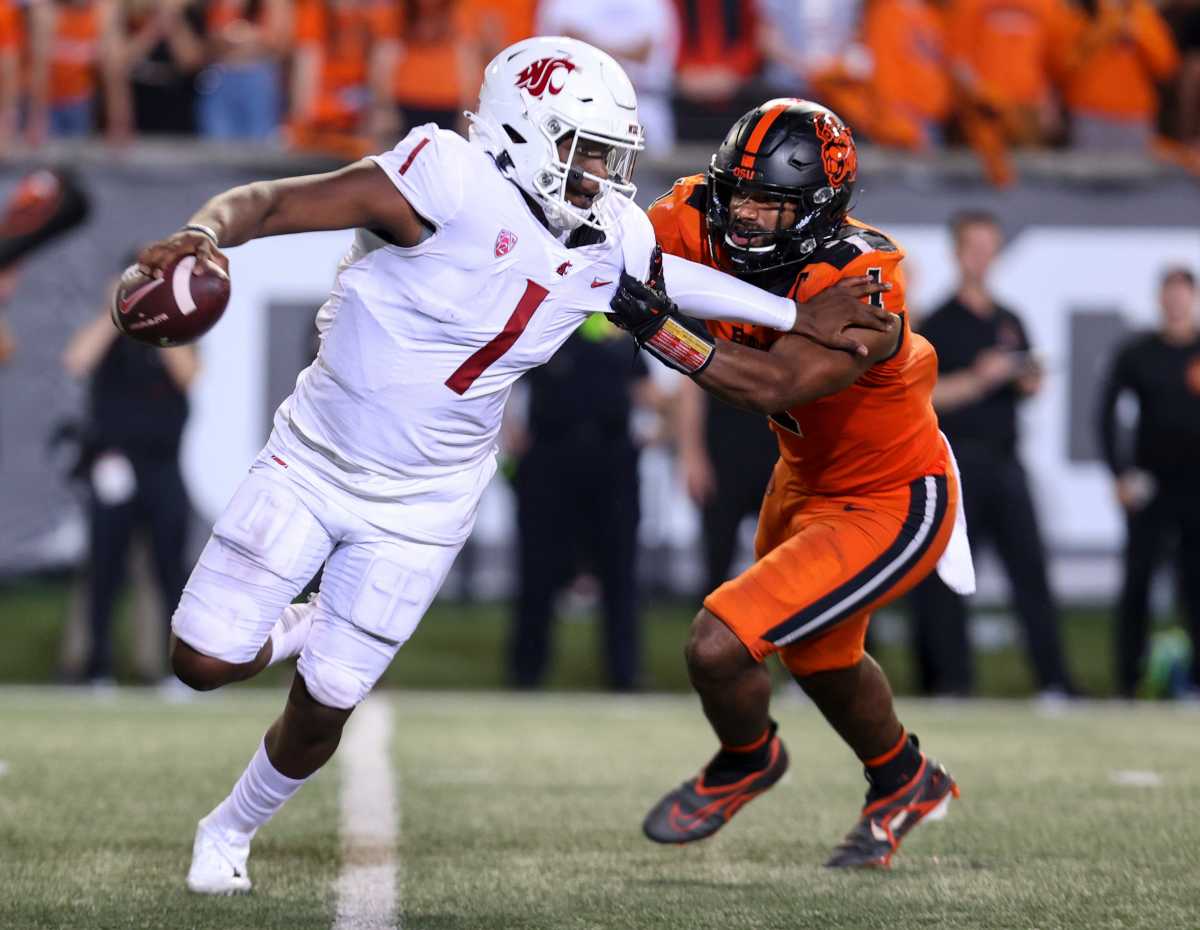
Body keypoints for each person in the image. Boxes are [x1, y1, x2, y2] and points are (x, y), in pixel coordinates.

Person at [133, 38, 890, 894]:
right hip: (314, 459)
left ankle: (229, 830)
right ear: (523, 133)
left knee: (323, 709)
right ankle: (305, 621)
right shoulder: (447, 177)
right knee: (200, 662)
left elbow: (674, 281)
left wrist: (792, 308)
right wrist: (201, 232)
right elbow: (272, 202)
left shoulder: (607, 233)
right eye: (588, 151)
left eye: (613, 156)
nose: (605, 176)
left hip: (427, 502)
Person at [613, 98, 974, 869]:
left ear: (817, 209)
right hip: (803, 479)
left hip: (891, 495)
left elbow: (774, 384)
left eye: (769, 204)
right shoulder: (694, 213)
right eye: (736, 193)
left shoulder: (862, 280)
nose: (741, 218)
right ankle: (905, 779)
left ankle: (748, 760)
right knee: (818, 655)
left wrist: (657, 325)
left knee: (718, 644)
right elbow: (609, 244)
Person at [908, 210, 1074, 698]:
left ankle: (1055, 682)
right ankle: (952, 683)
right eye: (973, 247)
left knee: (1031, 570)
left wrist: (1026, 381)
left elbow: (1026, 378)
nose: (983, 257)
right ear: (958, 253)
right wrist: (980, 379)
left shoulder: (1009, 319)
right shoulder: (938, 322)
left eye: (989, 247)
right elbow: (923, 397)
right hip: (956, 464)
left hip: (1006, 460)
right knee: (948, 577)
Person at [507, 315, 655, 691]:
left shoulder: (620, 326)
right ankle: (527, 672)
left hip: (612, 457)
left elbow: (646, 390)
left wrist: (661, 430)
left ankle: (625, 674)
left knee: (620, 569)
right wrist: (510, 435)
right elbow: (503, 379)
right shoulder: (544, 324)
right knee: (536, 569)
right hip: (549, 456)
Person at [61, 282, 199, 685]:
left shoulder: (175, 332)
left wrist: (159, 316)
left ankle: (177, 672)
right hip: (113, 468)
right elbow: (76, 360)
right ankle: (96, 668)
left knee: (171, 570)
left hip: (162, 467)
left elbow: (189, 375)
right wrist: (118, 312)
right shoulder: (109, 333)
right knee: (104, 570)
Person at [1098, 267, 1200, 699]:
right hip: (1151, 486)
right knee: (1137, 581)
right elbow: (1105, 414)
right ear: (1160, 299)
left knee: (1195, 585)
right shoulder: (1138, 352)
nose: (1175, 302)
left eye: (1182, 294)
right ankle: (1127, 680)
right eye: (1169, 294)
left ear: (1192, 298)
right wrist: (1119, 473)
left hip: (1197, 487)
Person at [674, 378, 778, 596]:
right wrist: (691, 454)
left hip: (778, 451)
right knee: (717, 556)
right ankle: (713, 626)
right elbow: (691, 386)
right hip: (722, 454)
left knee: (790, 557)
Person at [1060, 0, 1179, 153]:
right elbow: (1066, 64)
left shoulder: (1142, 14)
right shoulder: (1081, 11)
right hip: (1089, 114)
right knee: (1089, 173)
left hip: (1135, 118)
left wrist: (1137, 32)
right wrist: (1106, 27)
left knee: (1135, 173)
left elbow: (1166, 66)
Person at [27, 0, 131, 143]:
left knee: (78, 154)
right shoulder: (46, 13)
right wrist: (37, 118)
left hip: (80, 101)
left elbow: (114, 75)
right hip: (47, 101)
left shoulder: (104, 12)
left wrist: (119, 124)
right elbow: (40, 71)